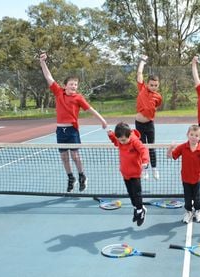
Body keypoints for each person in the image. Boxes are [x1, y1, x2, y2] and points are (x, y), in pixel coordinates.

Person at [39, 53, 107, 193]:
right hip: (60, 131)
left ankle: (82, 176)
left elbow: (90, 109)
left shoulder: (78, 98)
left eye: (75, 84)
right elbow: (48, 77)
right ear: (65, 86)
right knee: (64, 157)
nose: (74, 86)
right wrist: (42, 62)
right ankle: (71, 178)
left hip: (72, 130)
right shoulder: (58, 92)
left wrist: (102, 120)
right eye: (71, 84)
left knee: (75, 156)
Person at [167, 125, 200, 224]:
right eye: (191, 134)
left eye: (196, 135)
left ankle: (198, 211)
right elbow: (170, 156)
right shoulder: (182, 147)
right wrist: (170, 148)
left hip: (197, 178)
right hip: (185, 178)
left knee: (197, 197)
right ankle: (188, 212)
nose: (193, 137)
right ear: (187, 135)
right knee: (187, 198)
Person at [107, 122, 150, 226]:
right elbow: (115, 141)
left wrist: (145, 161)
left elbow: (144, 150)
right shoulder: (120, 141)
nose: (122, 142)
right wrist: (111, 135)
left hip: (135, 173)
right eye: (120, 140)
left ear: (129, 135)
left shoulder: (135, 141)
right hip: (125, 173)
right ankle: (136, 208)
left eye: (124, 140)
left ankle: (141, 211)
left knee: (137, 194)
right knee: (131, 194)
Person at [135, 55, 162, 180]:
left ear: (158, 85)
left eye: (156, 85)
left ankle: (154, 169)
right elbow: (139, 73)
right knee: (142, 147)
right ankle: (144, 170)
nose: (153, 87)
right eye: (151, 85)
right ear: (148, 84)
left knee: (151, 147)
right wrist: (143, 61)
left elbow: (157, 106)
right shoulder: (142, 88)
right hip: (139, 124)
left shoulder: (158, 97)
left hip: (150, 124)